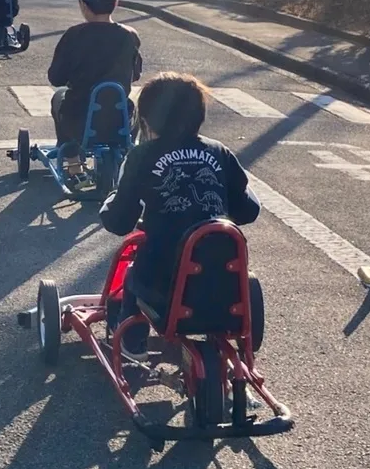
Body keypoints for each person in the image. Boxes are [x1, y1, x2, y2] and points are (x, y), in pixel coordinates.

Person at [99, 72, 261, 360]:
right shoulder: (219, 152)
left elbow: (119, 222)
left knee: (134, 272)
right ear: (200, 116)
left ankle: (132, 341)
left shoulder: (142, 156)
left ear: (146, 121)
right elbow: (248, 210)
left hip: (162, 283)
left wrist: (110, 203)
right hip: (218, 280)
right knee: (214, 256)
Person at [48, 0, 142, 166]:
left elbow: (55, 78)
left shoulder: (74, 35)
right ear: (115, 3)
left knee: (59, 97)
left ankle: (73, 161)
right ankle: (125, 154)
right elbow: (135, 75)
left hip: (79, 122)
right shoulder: (130, 36)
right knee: (135, 106)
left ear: (83, 5)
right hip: (119, 122)